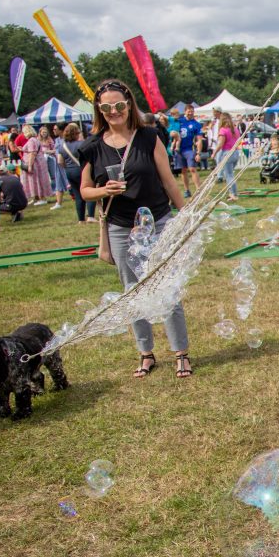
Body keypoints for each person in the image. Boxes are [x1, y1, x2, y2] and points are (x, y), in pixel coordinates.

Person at [78, 79, 191, 379]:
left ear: (129, 105)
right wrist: (105, 191)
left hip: (158, 221)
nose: (113, 111)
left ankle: (181, 353)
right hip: (120, 228)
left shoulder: (149, 136)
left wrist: (187, 215)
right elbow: (85, 191)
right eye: (106, 107)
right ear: (99, 110)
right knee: (133, 292)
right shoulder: (91, 147)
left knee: (168, 286)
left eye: (119, 105)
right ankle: (146, 353)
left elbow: (168, 180)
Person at [215, 112, 241, 200]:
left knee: (228, 175)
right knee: (231, 174)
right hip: (236, 153)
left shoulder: (223, 130)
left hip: (227, 153)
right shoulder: (235, 129)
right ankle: (232, 192)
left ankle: (233, 194)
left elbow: (220, 144)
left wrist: (214, 153)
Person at [178, 105, 202, 197]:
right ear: (185, 112)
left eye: (192, 111)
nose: (190, 113)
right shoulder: (180, 121)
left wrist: (198, 153)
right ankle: (186, 190)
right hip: (180, 149)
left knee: (192, 169)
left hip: (190, 149)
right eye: (189, 111)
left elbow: (199, 139)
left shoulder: (196, 124)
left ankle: (198, 190)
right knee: (183, 170)